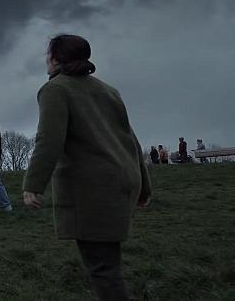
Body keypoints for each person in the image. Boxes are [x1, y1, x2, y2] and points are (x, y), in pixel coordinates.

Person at [23, 34, 153, 301]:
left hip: (94, 190)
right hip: (122, 182)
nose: (46, 59)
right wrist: (144, 185)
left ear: (56, 58)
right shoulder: (108, 90)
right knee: (107, 264)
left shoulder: (56, 89)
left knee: (103, 270)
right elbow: (129, 139)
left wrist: (33, 185)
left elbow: (49, 139)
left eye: (49, 54)